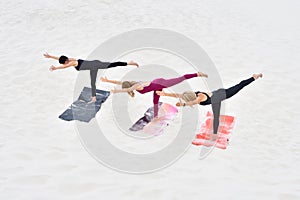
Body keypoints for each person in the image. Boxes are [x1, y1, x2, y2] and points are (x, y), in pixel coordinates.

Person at [156, 73, 263, 140]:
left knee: (239, 86)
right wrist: (165, 94)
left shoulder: (199, 97)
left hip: (223, 95)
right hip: (215, 95)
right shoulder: (192, 94)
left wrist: (183, 104)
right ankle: (253, 77)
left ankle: (254, 77)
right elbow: (180, 95)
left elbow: (192, 103)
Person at [100, 72, 208, 118]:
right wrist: (108, 80)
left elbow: (128, 88)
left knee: (180, 79)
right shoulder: (132, 82)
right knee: (155, 101)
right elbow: (121, 83)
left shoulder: (136, 85)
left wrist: (117, 92)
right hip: (155, 85)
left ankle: (197, 74)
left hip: (160, 83)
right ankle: (156, 117)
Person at [44, 53, 139, 102]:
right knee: (110, 66)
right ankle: (129, 63)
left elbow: (64, 66)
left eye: (64, 62)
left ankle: (129, 63)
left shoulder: (71, 62)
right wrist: (51, 57)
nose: (65, 63)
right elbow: (61, 59)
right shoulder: (70, 59)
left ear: (66, 61)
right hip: (93, 64)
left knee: (111, 66)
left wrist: (55, 68)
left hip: (95, 65)